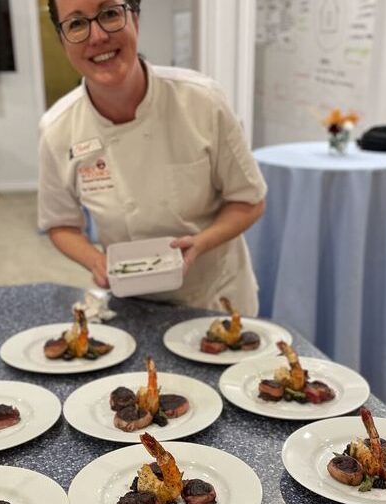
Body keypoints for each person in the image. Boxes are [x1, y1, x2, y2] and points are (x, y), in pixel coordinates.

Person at [38, 0, 267, 315]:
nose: (97, 36)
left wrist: (200, 243)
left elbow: (250, 200)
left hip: (215, 300)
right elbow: (60, 224)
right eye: (76, 24)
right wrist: (96, 261)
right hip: (133, 306)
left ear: (135, 18)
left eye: (109, 14)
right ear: (62, 40)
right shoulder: (58, 128)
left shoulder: (202, 102)